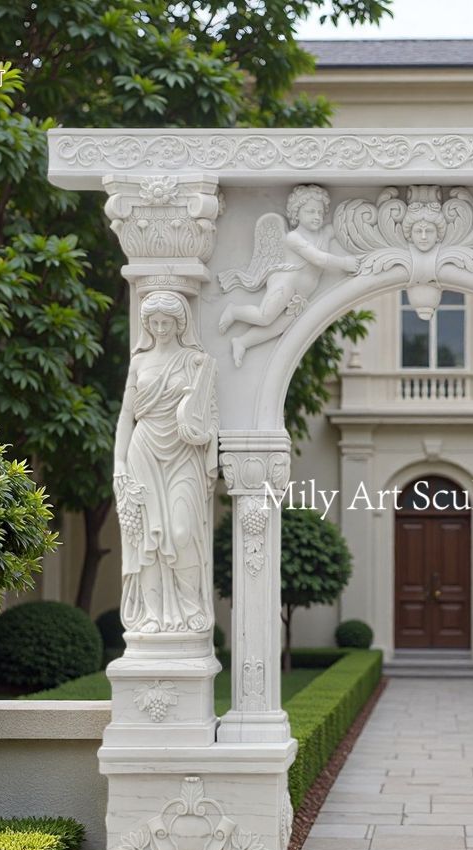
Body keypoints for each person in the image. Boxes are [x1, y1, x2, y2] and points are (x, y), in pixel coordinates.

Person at [114, 291, 218, 634]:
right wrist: (118, 466)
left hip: (183, 452)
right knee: (148, 539)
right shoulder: (139, 362)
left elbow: (208, 416)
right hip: (143, 451)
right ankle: (153, 615)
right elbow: (126, 416)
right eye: (154, 322)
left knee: (181, 531)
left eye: (166, 322)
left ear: (179, 323)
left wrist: (201, 429)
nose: (160, 328)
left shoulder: (194, 361)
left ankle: (190, 611)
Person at [218, 184, 358, 367]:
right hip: (286, 283)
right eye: (310, 211)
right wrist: (344, 263)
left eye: (320, 212)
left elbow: (340, 224)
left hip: (301, 295)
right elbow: (318, 259)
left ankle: (242, 342)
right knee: (264, 317)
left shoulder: (323, 234)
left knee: (278, 327)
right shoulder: (293, 238)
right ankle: (234, 311)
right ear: (296, 212)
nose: (317, 216)